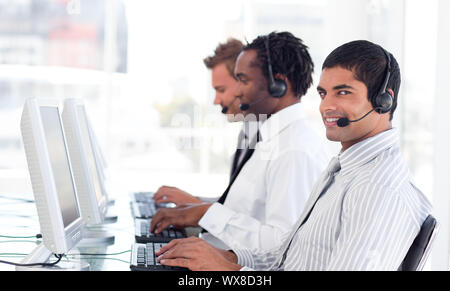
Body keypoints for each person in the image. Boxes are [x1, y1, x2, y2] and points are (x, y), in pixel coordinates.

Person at [154, 40, 433, 271]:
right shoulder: (343, 169)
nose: (327, 106)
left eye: (343, 92)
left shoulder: (377, 190)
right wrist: (228, 258)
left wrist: (231, 271)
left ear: (384, 100)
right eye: (324, 93)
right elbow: (286, 256)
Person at [150, 31, 329, 251]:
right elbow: (245, 212)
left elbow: (283, 245)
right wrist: (200, 212)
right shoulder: (271, 139)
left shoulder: (294, 150)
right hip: (218, 255)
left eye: (242, 80)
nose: (238, 90)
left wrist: (205, 213)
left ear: (278, 84)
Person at [152, 38, 248, 207]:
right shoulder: (247, 134)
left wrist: (195, 206)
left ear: (243, 83)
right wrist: (192, 203)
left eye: (221, 90)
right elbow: (234, 208)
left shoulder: (276, 145)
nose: (216, 100)